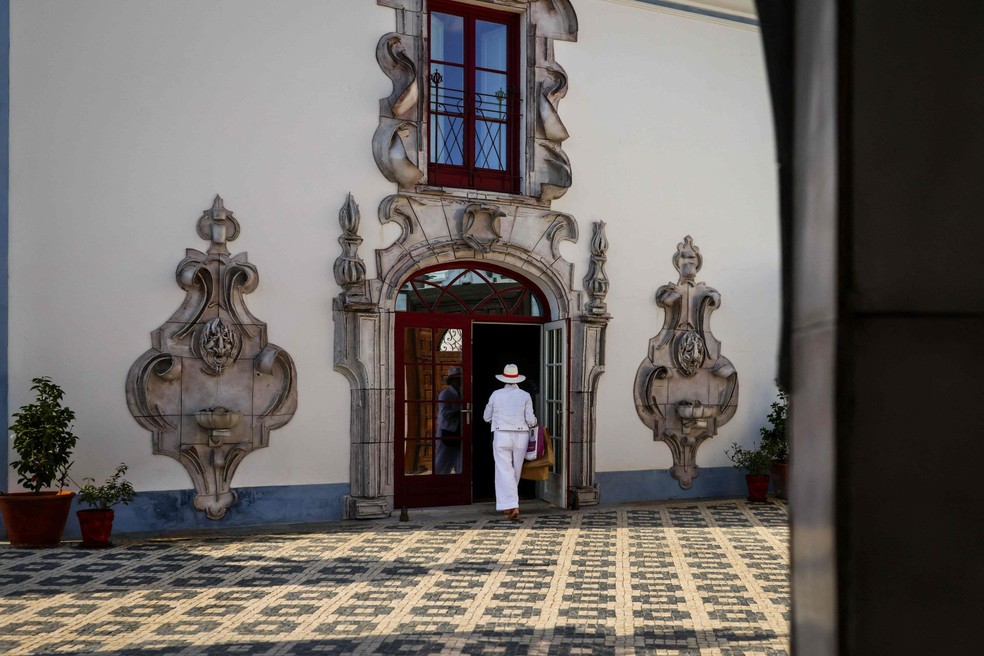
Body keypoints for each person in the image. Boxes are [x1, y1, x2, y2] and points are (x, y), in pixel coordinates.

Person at [483, 364, 537, 520]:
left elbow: (486, 417)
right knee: (515, 471)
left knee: (503, 471)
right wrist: (534, 423)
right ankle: (510, 505)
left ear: (504, 379)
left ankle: (511, 505)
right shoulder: (525, 395)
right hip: (521, 435)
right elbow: (530, 420)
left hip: (501, 434)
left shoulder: (496, 394)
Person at [434, 367, 463, 474]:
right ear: (452, 380)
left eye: (460, 379)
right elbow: (445, 414)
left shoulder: (461, 393)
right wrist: (461, 412)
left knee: (459, 457)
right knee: (443, 457)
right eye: (457, 379)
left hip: (458, 430)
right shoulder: (445, 394)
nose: (459, 381)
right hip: (446, 430)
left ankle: (459, 476)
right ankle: (439, 478)